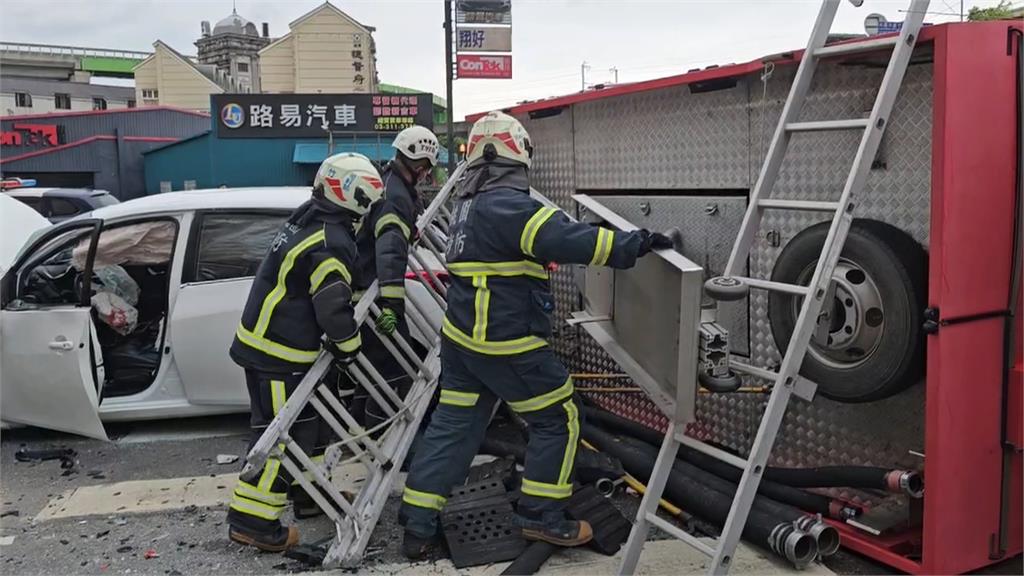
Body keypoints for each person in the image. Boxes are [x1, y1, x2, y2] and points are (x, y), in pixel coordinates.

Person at [399, 111, 674, 558]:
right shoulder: (510, 207)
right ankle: (540, 516)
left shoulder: (468, 207)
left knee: (454, 427)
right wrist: (637, 243)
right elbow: (575, 242)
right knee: (559, 415)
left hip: (463, 340)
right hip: (505, 341)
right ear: (518, 156)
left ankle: (417, 523)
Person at [226, 152, 384, 552]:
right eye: (366, 198)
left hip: (269, 343)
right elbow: (332, 304)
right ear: (352, 196)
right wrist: (351, 348)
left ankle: (310, 497)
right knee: (282, 436)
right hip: (278, 353)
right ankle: (253, 521)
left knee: (308, 428)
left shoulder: (310, 215)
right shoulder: (331, 241)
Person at [351, 125, 440, 429]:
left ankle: (361, 428)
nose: (427, 175)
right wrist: (392, 306)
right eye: (427, 169)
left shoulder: (389, 184)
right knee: (395, 367)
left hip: (363, 292)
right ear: (419, 164)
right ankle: (381, 434)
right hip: (373, 296)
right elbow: (389, 251)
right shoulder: (395, 197)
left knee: (374, 370)